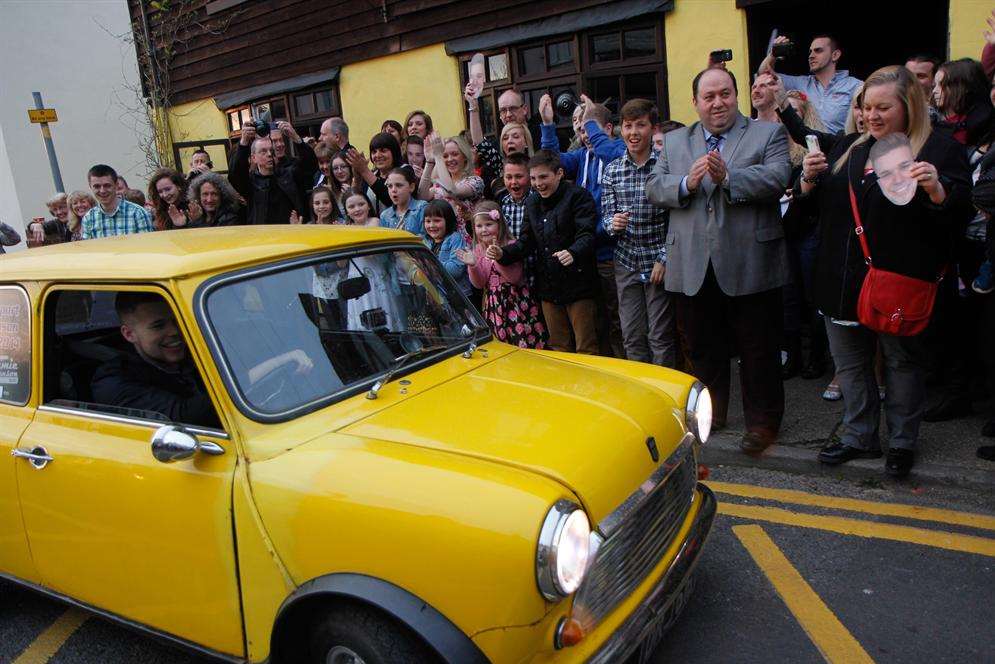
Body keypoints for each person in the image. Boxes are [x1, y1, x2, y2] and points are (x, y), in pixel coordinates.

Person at [797, 66, 972, 478]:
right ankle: (859, 434)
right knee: (852, 365)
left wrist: (937, 190)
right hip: (840, 279)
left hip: (899, 281)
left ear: (908, 106)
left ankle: (901, 441)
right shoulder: (849, 147)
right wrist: (806, 180)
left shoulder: (938, 149)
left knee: (901, 364)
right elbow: (819, 210)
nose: (871, 116)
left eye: (882, 108)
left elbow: (959, 216)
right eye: (865, 107)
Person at [646, 67, 792, 454]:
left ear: (736, 96)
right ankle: (714, 413)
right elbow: (654, 188)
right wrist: (686, 184)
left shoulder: (767, 132)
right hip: (693, 262)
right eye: (708, 97)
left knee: (757, 348)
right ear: (695, 103)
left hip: (751, 259)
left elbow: (778, 177)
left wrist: (729, 178)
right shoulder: (676, 141)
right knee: (703, 346)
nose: (717, 103)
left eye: (724, 94)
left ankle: (763, 424)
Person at [540, 93, 627, 359]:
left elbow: (608, 150)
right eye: (578, 122)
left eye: (586, 122)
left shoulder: (619, 150)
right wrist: (547, 125)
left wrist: (591, 122)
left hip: (611, 255)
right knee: (594, 323)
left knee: (618, 321)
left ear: (607, 128)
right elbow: (552, 160)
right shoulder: (581, 156)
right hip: (586, 254)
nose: (581, 128)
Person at [491, 150, 598, 354]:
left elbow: (588, 234)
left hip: (579, 284)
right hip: (549, 287)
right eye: (533, 178)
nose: (538, 183)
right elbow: (525, 242)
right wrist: (502, 254)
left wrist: (573, 252)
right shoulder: (532, 202)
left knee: (586, 347)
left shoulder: (578, 196)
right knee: (558, 346)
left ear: (559, 173)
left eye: (543, 177)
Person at [602, 98, 676, 368]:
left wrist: (664, 258)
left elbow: (676, 220)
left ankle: (666, 393)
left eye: (640, 125)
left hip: (657, 260)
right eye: (628, 125)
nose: (633, 132)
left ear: (652, 129)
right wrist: (614, 224)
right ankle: (643, 392)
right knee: (632, 335)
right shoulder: (612, 171)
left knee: (660, 336)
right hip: (626, 262)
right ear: (621, 129)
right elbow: (606, 220)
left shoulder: (664, 167)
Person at [92, 292, 221, 428]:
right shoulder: (113, 382)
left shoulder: (199, 350)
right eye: (158, 326)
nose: (175, 331)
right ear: (129, 334)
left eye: (177, 321)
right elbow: (181, 418)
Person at [457, 201, 546, 348]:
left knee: (523, 340)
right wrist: (473, 265)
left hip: (516, 302)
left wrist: (498, 257)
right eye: (479, 226)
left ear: (500, 225)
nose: (484, 229)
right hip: (493, 304)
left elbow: (514, 278)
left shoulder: (511, 245)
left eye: (489, 224)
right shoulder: (478, 250)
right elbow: (479, 284)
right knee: (501, 343)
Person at [760, 34, 863, 134]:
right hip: (806, 149)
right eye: (810, 52)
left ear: (835, 55)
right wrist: (773, 54)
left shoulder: (854, 86)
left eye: (818, 51)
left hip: (839, 149)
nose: (811, 56)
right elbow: (764, 75)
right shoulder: (801, 83)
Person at [228, 120, 317, 225]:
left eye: (271, 150)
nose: (269, 154)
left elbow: (310, 165)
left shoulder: (289, 175)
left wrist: (295, 137)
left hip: (291, 234)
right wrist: (244, 142)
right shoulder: (251, 183)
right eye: (263, 151)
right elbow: (235, 174)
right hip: (263, 236)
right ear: (254, 158)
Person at [419, 133, 484, 241]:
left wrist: (439, 156)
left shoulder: (475, 181)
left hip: (466, 245)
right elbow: (422, 196)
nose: (449, 159)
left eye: (454, 154)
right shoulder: (439, 184)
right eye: (445, 156)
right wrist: (430, 161)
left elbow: (451, 191)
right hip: (443, 243)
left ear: (464, 157)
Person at [81, 164, 153, 239]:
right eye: (97, 186)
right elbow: (88, 250)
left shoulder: (138, 213)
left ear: (116, 185)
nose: (102, 191)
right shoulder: (89, 218)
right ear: (90, 187)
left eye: (107, 185)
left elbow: (147, 247)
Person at [932, 58, 992, 147]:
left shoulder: (981, 124)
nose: (934, 91)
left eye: (942, 85)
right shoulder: (934, 117)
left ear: (964, 87)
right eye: (934, 85)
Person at [420, 199, 471, 297]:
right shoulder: (424, 241)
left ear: (448, 220)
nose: (431, 225)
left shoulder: (455, 238)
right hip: (436, 296)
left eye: (437, 221)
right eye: (428, 221)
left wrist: (430, 263)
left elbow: (456, 270)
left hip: (458, 296)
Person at [346, 132, 405, 212]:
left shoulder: (405, 170)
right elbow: (354, 202)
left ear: (394, 152)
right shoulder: (371, 175)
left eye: (383, 151)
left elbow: (391, 201)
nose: (378, 155)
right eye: (374, 152)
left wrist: (364, 170)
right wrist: (357, 178)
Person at [380, 168, 427, 234]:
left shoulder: (422, 208)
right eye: (390, 186)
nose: (393, 190)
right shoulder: (385, 215)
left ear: (411, 187)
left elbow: (427, 238)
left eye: (399, 185)